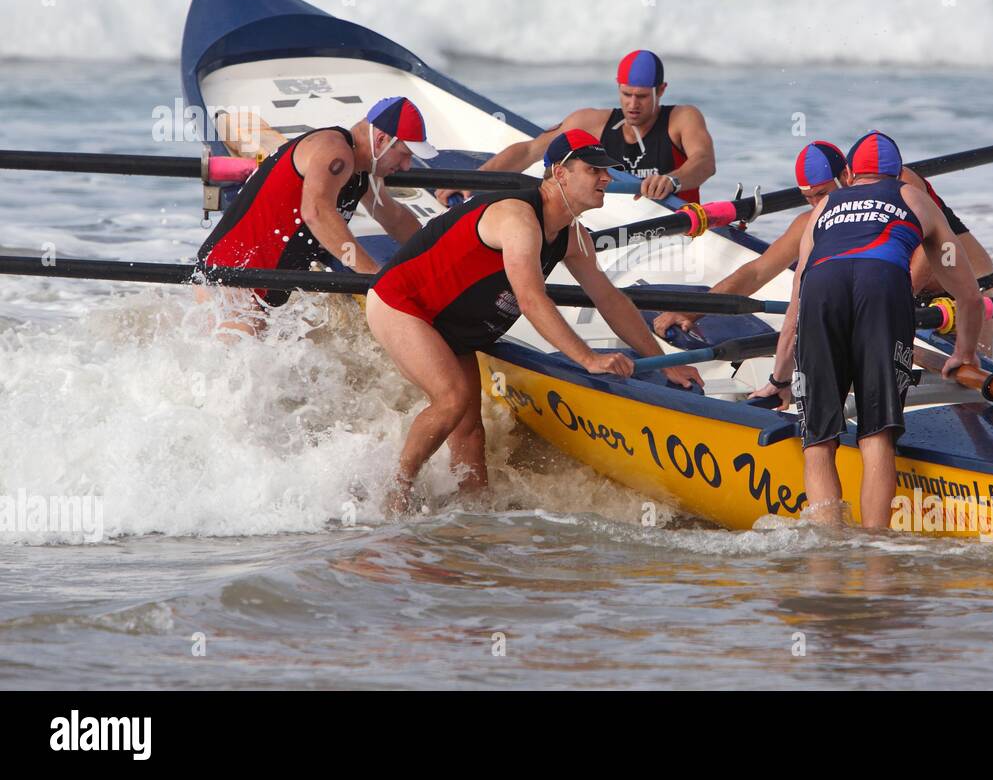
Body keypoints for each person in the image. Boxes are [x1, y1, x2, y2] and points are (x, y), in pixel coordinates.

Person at [366, 129, 704, 513]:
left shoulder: (573, 235)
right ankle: (394, 496)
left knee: (471, 434)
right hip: (402, 304)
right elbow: (530, 299)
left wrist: (669, 364)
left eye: (607, 171)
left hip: (452, 325)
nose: (607, 179)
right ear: (560, 173)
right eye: (594, 170)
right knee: (452, 399)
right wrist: (587, 359)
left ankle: (470, 522)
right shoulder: (518, 218)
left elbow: (609, 299)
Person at [768, 131, 983, 529]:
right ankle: (874, 547)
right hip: (882, 288)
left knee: (818, 440)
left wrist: (779, 377)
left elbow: (796, 303)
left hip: (822, 290)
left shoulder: (824, 207)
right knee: (876, 434)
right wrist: (964, 354)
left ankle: (826, 547)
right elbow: (969, 294)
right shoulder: (914, 198)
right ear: (896, 175)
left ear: (848, 174)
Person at [654, 139, 993, 353]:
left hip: (971, 294)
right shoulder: (813, 220)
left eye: (822, 193)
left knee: (970, 393)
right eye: (808, 197)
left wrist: (881, 308)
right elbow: (756, 271)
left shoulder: (899, 182)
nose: (816, 204)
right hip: (912, 303)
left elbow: (928, 250)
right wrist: (693, 310)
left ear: (847, 177)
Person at [195, 97, 432, 334]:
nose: (407, 166)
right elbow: (317, 213)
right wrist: (373, 275)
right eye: (405, 154)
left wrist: (434, 253)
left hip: (261, 291)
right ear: (382, 141)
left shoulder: (363, 171)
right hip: (230, 281)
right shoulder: (333, 150)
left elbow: (394, 217)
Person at [436, 50, 716, 205]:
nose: (632, 104)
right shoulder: (591, 123)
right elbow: (529, 151)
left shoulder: (682, 118)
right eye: (626, 94)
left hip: (681, 222)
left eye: (642, 96)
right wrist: (474, 180)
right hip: (619, 225)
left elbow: (704, 163)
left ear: (661, 90)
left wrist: (672, 180)